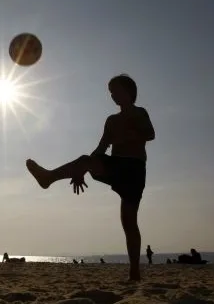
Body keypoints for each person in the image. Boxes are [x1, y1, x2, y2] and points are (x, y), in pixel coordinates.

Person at [25, 74, 155, 281]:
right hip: (114, 165)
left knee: (129, 223)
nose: (112, 95)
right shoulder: (111, 120)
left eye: (116, 90)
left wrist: (130, 129)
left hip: (134, 169)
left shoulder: (139, 112)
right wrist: (81, 168)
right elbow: (101, 148)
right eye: (110, 91)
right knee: (85, 159)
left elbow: (150, 134)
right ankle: (48, 178)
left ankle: (135, 273)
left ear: (129, 91)